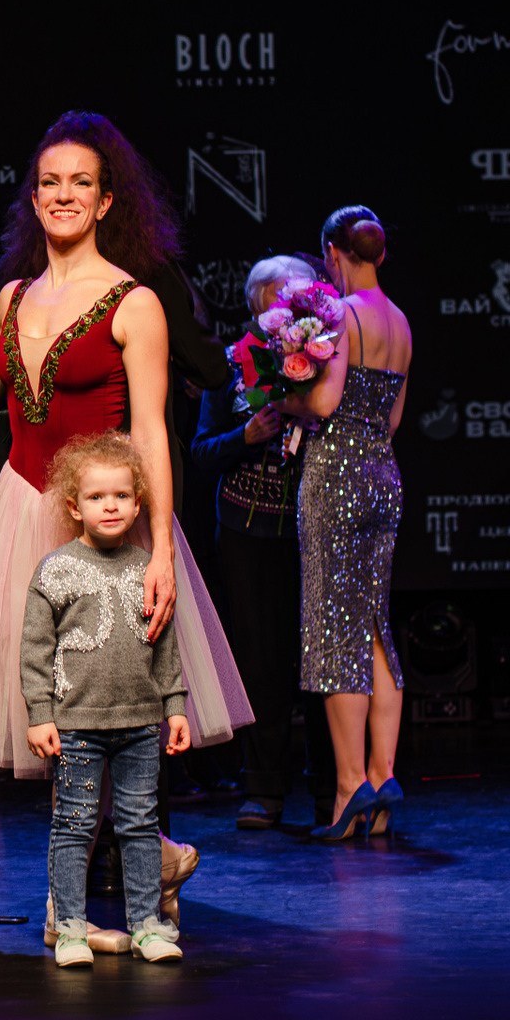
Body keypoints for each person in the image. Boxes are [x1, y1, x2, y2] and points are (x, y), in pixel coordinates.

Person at [0, 112, 252, 932]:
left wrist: (159, 547)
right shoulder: (12, 297)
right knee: (53, 710)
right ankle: (147, 861)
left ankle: (83, 893)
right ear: (34, 198)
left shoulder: (134, 302)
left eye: (81, 184)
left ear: (104, 201)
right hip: (23, 508)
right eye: (49, 182)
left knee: (101, 707)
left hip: (101, 528)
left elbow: (152, 434)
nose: (63, 195)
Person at [24, 432, 188, 967]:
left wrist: (175, 706)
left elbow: (165, 646)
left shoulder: (147, 567)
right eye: (97, 497)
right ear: (75, 506)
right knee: (73, 825)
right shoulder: (56, 570)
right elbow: (35, 650)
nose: (110, 506)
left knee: (139, 825)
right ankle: (70, 927)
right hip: (77, 726)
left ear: (138, 503)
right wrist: (40, 715)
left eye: (121, 495)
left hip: (140, 723)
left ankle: (146, 924)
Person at [277, 207, 411, 840]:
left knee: (335, 630)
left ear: (333, 253)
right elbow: (393, 420)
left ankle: (348, 786)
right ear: (378, 254)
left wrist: (285, 400)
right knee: (374, 625)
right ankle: (382, 780)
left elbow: (326, 401)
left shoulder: (344, 314)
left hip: (337, 473)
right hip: (384, 473)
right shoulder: (401, 322)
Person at [190, 255, 332, 831]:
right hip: (246, 531)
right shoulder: (230, 364)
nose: (290, 309)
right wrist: (244, 436)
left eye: (299, 298)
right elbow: (201, 452)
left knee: (318, 659)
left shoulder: (325, 359)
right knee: (259, 659)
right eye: (281, 299)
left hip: (311, 526)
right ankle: (264, 788)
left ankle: (330, 788)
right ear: (257, 305)